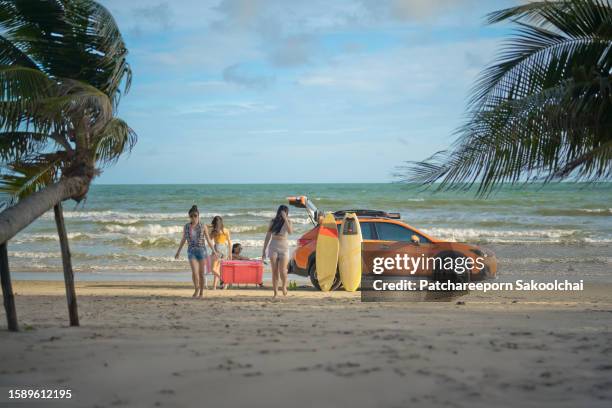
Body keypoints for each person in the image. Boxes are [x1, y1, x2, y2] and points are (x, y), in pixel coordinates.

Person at [175, 205, 218, 298]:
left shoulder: (203, 226)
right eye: (191, 216)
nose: (193, 218)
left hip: (202, 251)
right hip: (191, 251)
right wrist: (178, 251)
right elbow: (183, 239)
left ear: (198, 216)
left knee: (201, 274)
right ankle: (196, 289)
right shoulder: (186, 226)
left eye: (195, 215)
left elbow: (208, 239)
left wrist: (214, 251)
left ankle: (201, 292)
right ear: (189, 217)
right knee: (194, 272)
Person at [262, 205, 293, 298]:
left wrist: (285, 219)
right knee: (274, 271)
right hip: (273, 246)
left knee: (283, 271)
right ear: (278, 212)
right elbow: (268, 236)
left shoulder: (289, 221)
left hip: (284, 247)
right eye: (282, 212)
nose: (283, 213)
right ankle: (275, 293)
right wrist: (264, 250)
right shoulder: (273, 221)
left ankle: (284, 286)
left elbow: (290, 231)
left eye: (285, 212)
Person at [209, 215, 232, 289]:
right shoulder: (226, 230)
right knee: (217, 268)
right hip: (224, 249)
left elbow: (209, 239)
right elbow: (229, 242)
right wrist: (230, 253)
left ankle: (223, 279)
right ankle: (214, 286)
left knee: (213, 269)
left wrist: (210, 229)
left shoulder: (215, 231)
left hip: (217, 249)